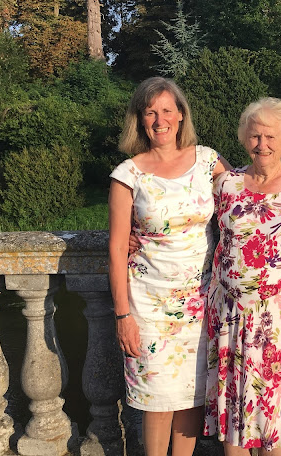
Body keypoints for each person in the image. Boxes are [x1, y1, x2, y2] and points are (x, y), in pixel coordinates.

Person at [108, 77, 232, 456]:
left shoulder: (208, 161)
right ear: (140, 120)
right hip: (148, 306)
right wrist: (122, 316)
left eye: (166, 110)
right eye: (150, 112)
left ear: (180, 115)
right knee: (158, 401)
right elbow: (116, 247)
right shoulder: (128, 174)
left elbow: (247, 198)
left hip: (201, 303)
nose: (159, 120)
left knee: (191, 397)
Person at [203, 98, 281, 454]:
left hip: (280, 320)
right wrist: (136, 234)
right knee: (235, 411)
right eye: (254, 136)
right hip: (230, 315)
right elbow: (182, 216)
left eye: (270, 136)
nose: (262, 144)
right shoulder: (225, 184)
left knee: (274, 415)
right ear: (244, 139)